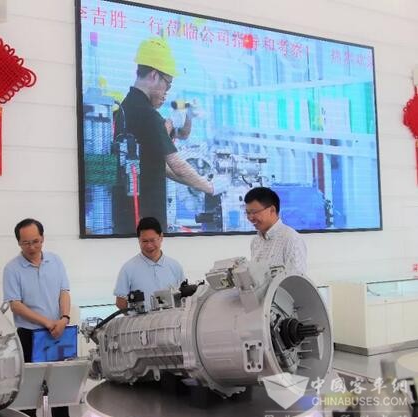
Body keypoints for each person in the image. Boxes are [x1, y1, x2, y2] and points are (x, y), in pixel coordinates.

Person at [112, 37, 225, 234]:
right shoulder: (149, 116)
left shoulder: (125, 109)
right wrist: (211, 188)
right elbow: (177, 166)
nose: (167, 92)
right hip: (148, 219)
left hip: (126, 219)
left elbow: (163, 166)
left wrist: (187, 117)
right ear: (154, 75)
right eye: (168, 84)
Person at [2, 218, 73, 417]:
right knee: (28, 396)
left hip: (57, 334)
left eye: (36, 241)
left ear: (42, 238)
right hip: (29, 336)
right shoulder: (12, 269)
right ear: (18, 242)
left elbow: (64, 292)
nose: (32, 247)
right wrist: (47, 322)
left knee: (61, 395)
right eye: (26, 243)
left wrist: (64, 318)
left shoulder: (55, 261)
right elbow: (15, 305)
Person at [114, 217, 185, 310]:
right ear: (138, 240)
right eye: (144, 241)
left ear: (161, 237)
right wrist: (134, 317)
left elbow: (184, 297)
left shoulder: (174, 266)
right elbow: (120, 302)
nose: (149, 245)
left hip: (172, 318)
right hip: (141, 319)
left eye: (152, 240)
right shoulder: (128, 269)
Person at [244, 187, 307, 275]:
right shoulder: (256, 241)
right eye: (247, 213)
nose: (250, 218)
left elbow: (295, 280)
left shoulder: (291, 239)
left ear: (272, 210)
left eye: (254, 212)